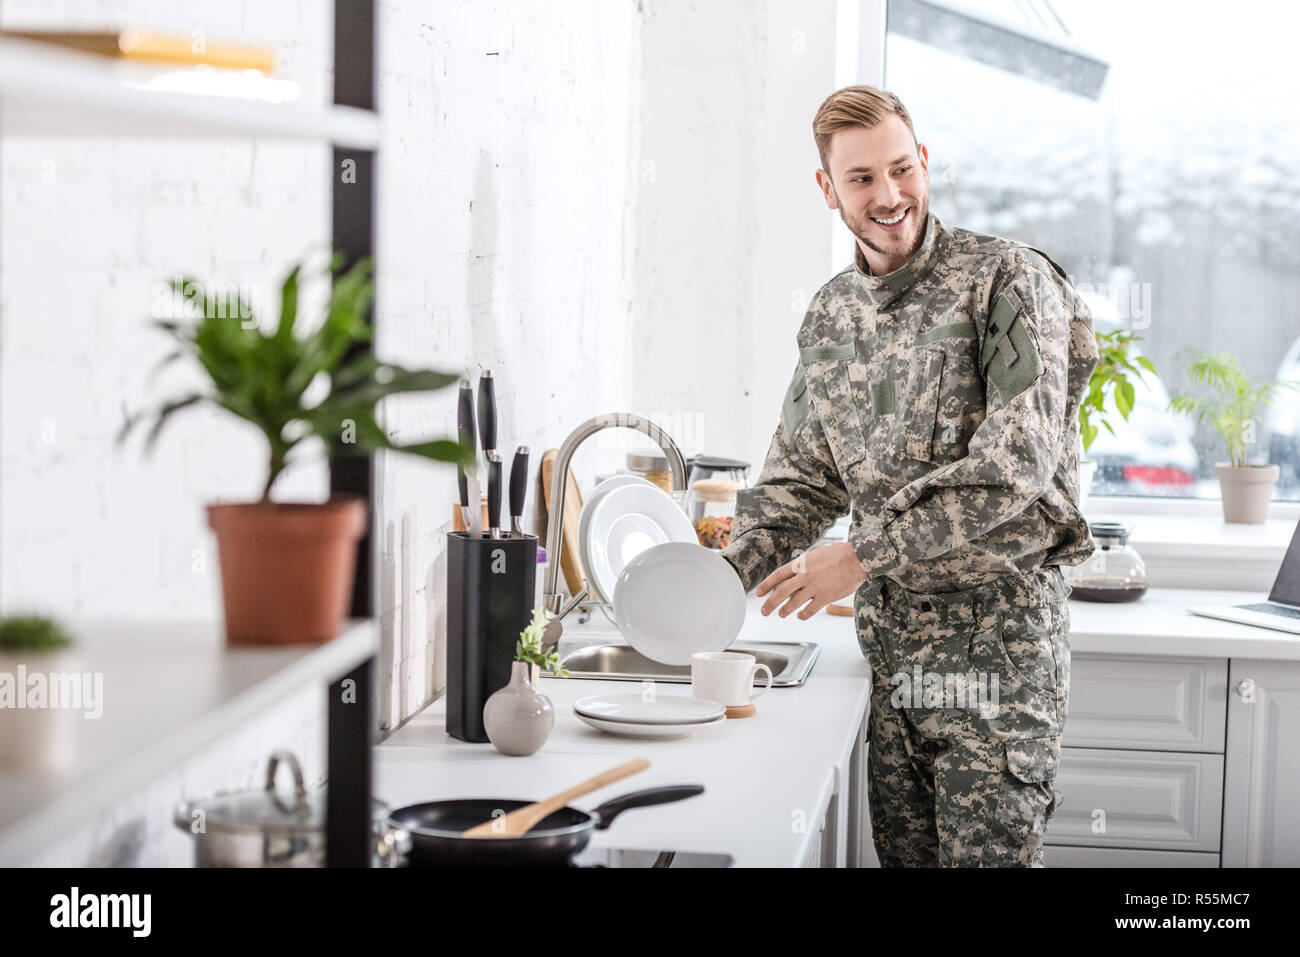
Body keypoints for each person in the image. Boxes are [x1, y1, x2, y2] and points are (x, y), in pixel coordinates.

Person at [719, 84, 1099, 867]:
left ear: (924, 161)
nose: (888, 196)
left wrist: (857, 556)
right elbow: (800, 478)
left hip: (998, 664)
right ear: (828, 188)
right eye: (861, 178)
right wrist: (714, 582)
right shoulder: (830, 316)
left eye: (901, 168)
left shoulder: (1007, 281)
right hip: (893, 663)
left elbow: (1012, 465)